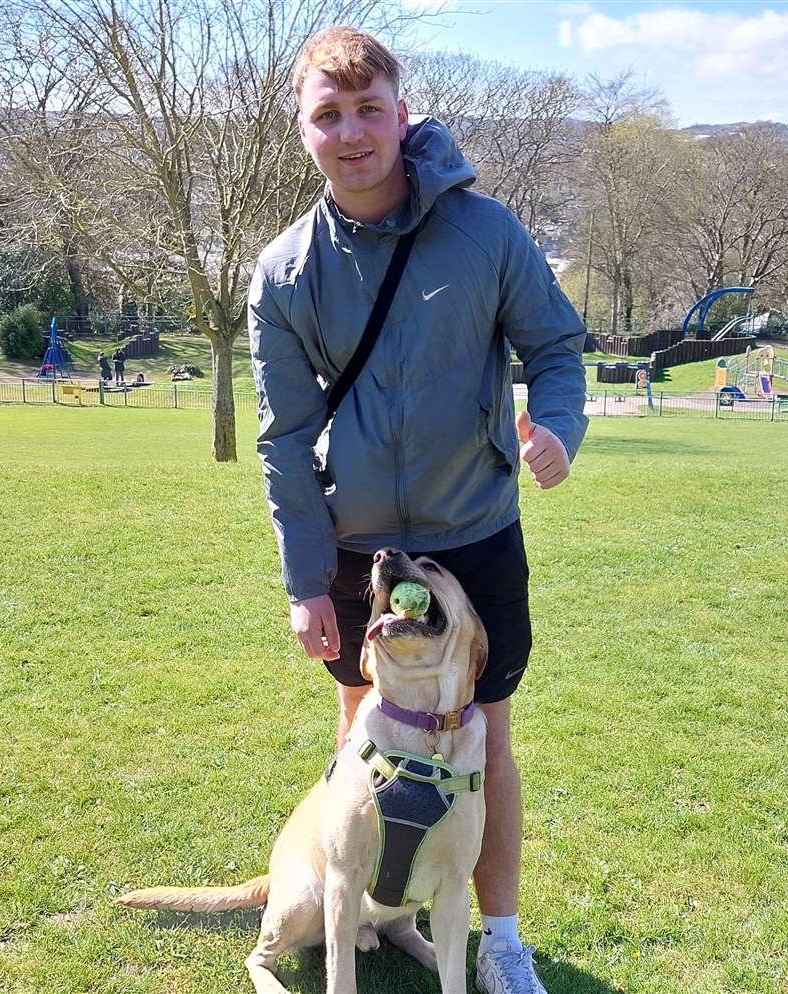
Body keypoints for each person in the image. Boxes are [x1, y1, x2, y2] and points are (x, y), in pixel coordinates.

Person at [248, 25, 585, 994]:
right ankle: (365, 913)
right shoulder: (283, 270)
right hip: (357, 549)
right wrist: (307, 579)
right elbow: (282, 437)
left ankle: (504, 937)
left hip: (473, 536)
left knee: (484, 739)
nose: (350, 133)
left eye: (367, 110)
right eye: (328, 115)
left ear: (401, 113)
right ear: (302, 131)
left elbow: (556, 349)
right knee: (366, 743)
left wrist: (559, 426)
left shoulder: (486, 232)